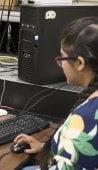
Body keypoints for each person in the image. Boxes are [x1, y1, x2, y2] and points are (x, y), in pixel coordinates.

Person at [13, 16, 98, 170]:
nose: (61, 64)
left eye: (62, 57)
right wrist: (48, 147)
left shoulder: (85, 119)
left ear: (79, 63)